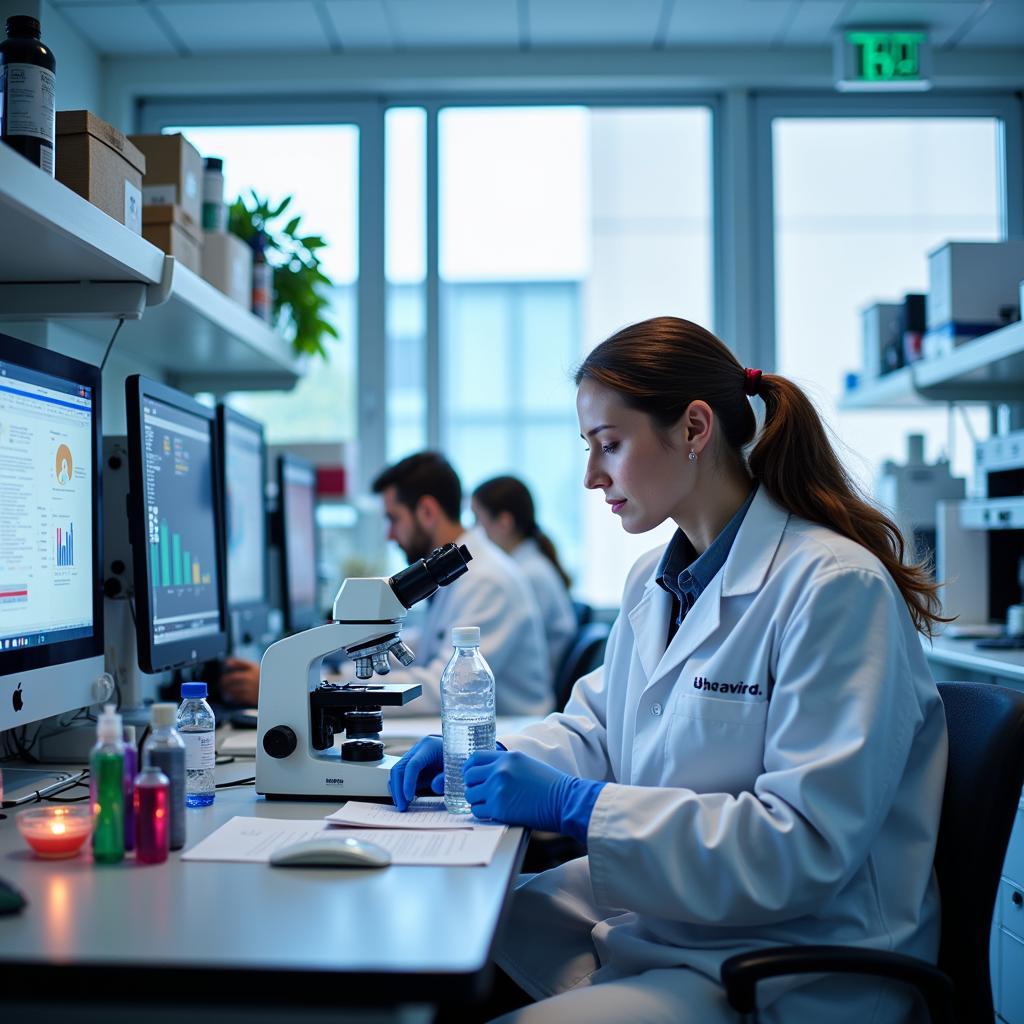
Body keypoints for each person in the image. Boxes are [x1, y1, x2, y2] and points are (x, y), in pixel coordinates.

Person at [389, 317, 948, 1023]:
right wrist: (487, 755)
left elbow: (800, 846)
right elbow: (594, 729)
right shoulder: (655, 580)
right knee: (430, 934)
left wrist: (577, 805)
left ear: (693, 428)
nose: (592, 476)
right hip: (681, 920)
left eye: (610, 445)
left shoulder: (834, 588)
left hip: (793, 964)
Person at [372, 452, 552, 717]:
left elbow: (448, 688)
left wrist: (350, 692)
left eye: (394, 519)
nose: (389, 535)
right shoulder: (453, 571)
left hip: (509, 736)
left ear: (427, 512)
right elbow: (430, 643)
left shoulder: (487, 580)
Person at [471, 476, 577, 675]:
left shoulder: (528, 575)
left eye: (477, 519)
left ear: (504, 522)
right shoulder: (529, 564)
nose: (472, 530)